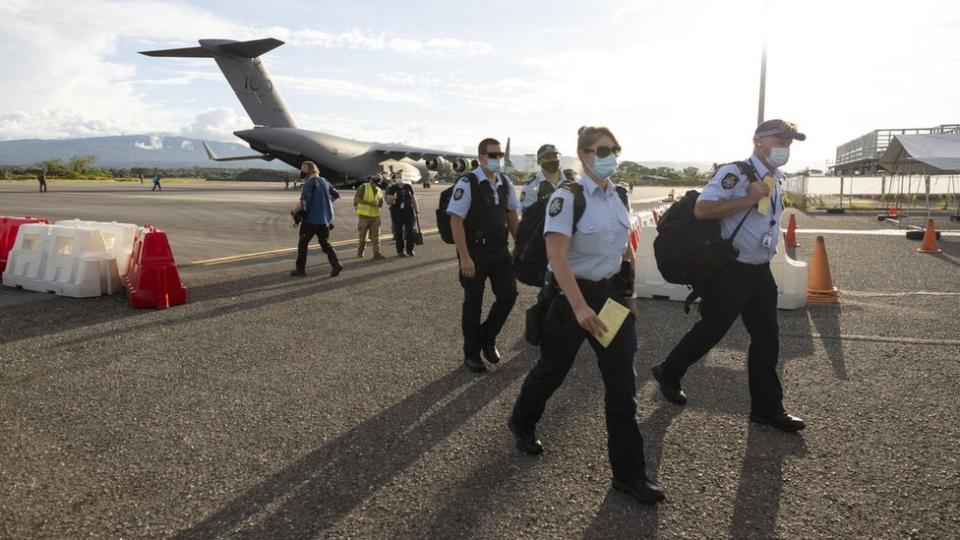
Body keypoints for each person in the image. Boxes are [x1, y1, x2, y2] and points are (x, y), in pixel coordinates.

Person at [508, 125, 663, 505]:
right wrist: (578, 307)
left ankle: (629, 475)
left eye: (614, 148)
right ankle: (522, 419)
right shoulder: (567, 197)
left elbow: (624, 249)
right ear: (583, 154)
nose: (610, 155)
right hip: (569, 298)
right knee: (552, 370)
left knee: (622, 386)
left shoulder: (619, 195)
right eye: (601, 149)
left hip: (610, 298)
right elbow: (556, 256)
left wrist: (630, 294)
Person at [651, 119, 807, 433]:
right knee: (712, 329)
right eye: (780, 141)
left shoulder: (775, 177)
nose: (786, 148)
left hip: (759, 270)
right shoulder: (734, 173)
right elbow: (702, 209)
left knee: (767, 337)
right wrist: (748, 198)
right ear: (759, 142)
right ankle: (669, 370)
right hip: (732, 270)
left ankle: (767, 408)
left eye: (790, 142)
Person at [446, 137, 520, 373]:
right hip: (474, 252)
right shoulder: (467, 183)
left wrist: (521, 246)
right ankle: (471, 354)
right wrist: (465, 257)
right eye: (492, 155)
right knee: (473, 304)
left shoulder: (505, 183)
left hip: (499, 250)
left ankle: (487, 337)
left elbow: (511, 216)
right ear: (480, 158)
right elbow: (456, 221)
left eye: (500, 155)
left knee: (509, 295)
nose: (497, 159)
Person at [290, 161, 343, 277]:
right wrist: (325, 204)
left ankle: (300, 270)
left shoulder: (309, 183)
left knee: (303, 244)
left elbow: (304, 201)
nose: (302, 171)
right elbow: (336, 195)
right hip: (325, 220)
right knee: (325, 243)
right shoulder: (324, 181)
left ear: (309, 170)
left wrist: (294, 211)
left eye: (304, 168)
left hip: (311, 220)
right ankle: (336, 264)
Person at [520, 144, 564, 210]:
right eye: (548, 157)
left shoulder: (571, 180)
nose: (553, 160)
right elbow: (528, 217)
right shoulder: (531, 187)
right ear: (539, 162)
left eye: (555, 156)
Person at [386, 172, 419, 257]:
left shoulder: (408, 186)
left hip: (408, 211)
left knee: (410, 231)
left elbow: (413, 198)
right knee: (399, 232)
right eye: (397, 177)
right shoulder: (392, 188)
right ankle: (400, 251)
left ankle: (410, 250)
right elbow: (388, 202)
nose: (399, 178)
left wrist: (416, 211)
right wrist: (394, 198)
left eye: (400, 177)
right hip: (397, 212)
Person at [354, 174, 386, 259]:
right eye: (375, 183)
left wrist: (380, 203)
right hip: (364, 216)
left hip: (375, 216)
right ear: (372, 181)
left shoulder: (379, 190)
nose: (376, 186)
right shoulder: (364, 187)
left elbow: (380, 204)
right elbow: (357, 199)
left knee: (376, 236)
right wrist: (370, 203)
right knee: (363, 237)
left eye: (378, 184)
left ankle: (377, 253)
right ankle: (360, 253)